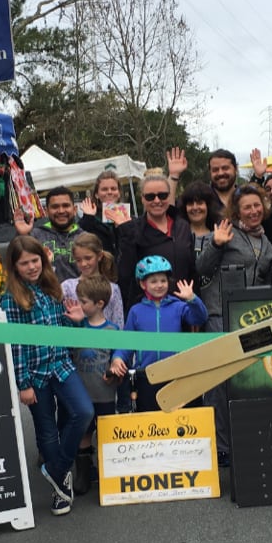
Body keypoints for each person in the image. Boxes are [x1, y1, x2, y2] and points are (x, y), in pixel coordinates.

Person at [0, 235, 94, 516]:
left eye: (35, 260)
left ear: (43, 260)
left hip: (61, 364)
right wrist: (23, 384)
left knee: (83, 412)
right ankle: (60, 490)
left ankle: (56, 468)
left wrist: (77, 322)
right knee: (47, 431)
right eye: (24, 263)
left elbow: (63, 329)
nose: (31, 267)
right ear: (14, 267)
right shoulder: (10, 299)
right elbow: (15, 344)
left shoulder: (53, 288)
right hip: (35, 372)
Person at [195, 183, 272, 462]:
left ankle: (245, 442)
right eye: (246, 207)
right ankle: (220, 447)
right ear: (236, 211)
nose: (253, 211)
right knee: (220, 382)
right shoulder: (224, 232)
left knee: (248, 380)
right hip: (219, 314)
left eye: (257, 205)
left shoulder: (265, 240)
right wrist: (216, 244)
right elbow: (201, 269)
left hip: (250, 318)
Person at [60, 232, 127, 493]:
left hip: (105, 367)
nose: (83, 264)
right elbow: (64, 327)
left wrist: (118, 359)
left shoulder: (113, 289)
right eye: (78, 260)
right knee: (83, 424)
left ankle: (110, 470)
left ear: (99, 256)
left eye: (87, 258)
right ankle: (84, 471)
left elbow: (119, 326)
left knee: (108, 423)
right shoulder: (68, 287)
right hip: (80, 369)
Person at [110, 255, 208, 413]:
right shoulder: (136, 311)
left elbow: (200, 318)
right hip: (147, 376)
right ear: (143, 284)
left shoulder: (178, 306)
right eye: (153, 281)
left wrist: (192, 299)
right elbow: (127, 341)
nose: (159, 285)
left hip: (175, 374)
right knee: (151, 420)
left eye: (163, 280)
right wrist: (117, 358)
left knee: (177, 418)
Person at [115, 173, 198, 314]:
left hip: (183, 308)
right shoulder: (133, 231)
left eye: (162, 195)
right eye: (150, 197)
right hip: (150, 311)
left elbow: (192, 271)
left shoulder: (183, 226)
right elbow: (125, 276)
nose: (157, 200)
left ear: (169, 196)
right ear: (142, 199)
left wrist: (195, 306)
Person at [15, 185, 87, 282]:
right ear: (46, 211)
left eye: (66, 206)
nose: (61, 211)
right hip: (44, 290)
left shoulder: (85, 237)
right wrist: (22, 235)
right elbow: (19, 262)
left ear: (74, 209)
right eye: (55, 207)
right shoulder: (35, 235)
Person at [78, 170, 132, 255]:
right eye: (104, 189)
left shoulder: (130, 218)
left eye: (113, 189)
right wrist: (88, 218)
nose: (109, 192)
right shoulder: (90, 219)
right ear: (96, 194)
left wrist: (124, 227)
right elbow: (79, 242)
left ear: (119, 193)